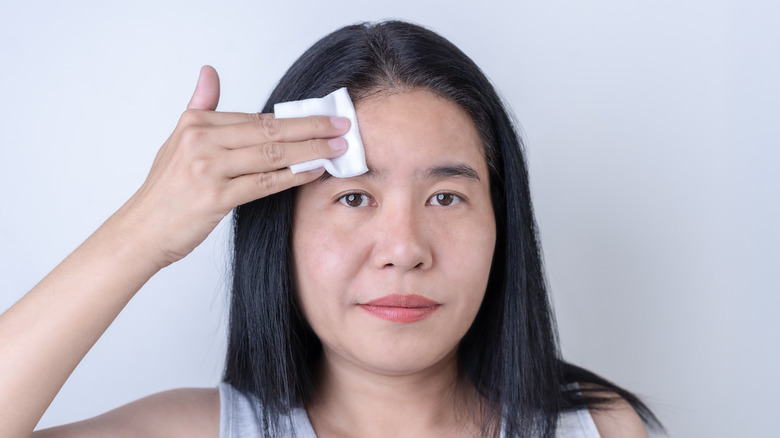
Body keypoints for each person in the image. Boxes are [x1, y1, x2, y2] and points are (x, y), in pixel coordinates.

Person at [0, 21, 662, 438]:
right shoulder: (193, 430)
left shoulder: (597, 427)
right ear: (280, 233)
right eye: (352, 198)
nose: (403, 249)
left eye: (445, 197)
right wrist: (144, 230)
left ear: (502, 225)